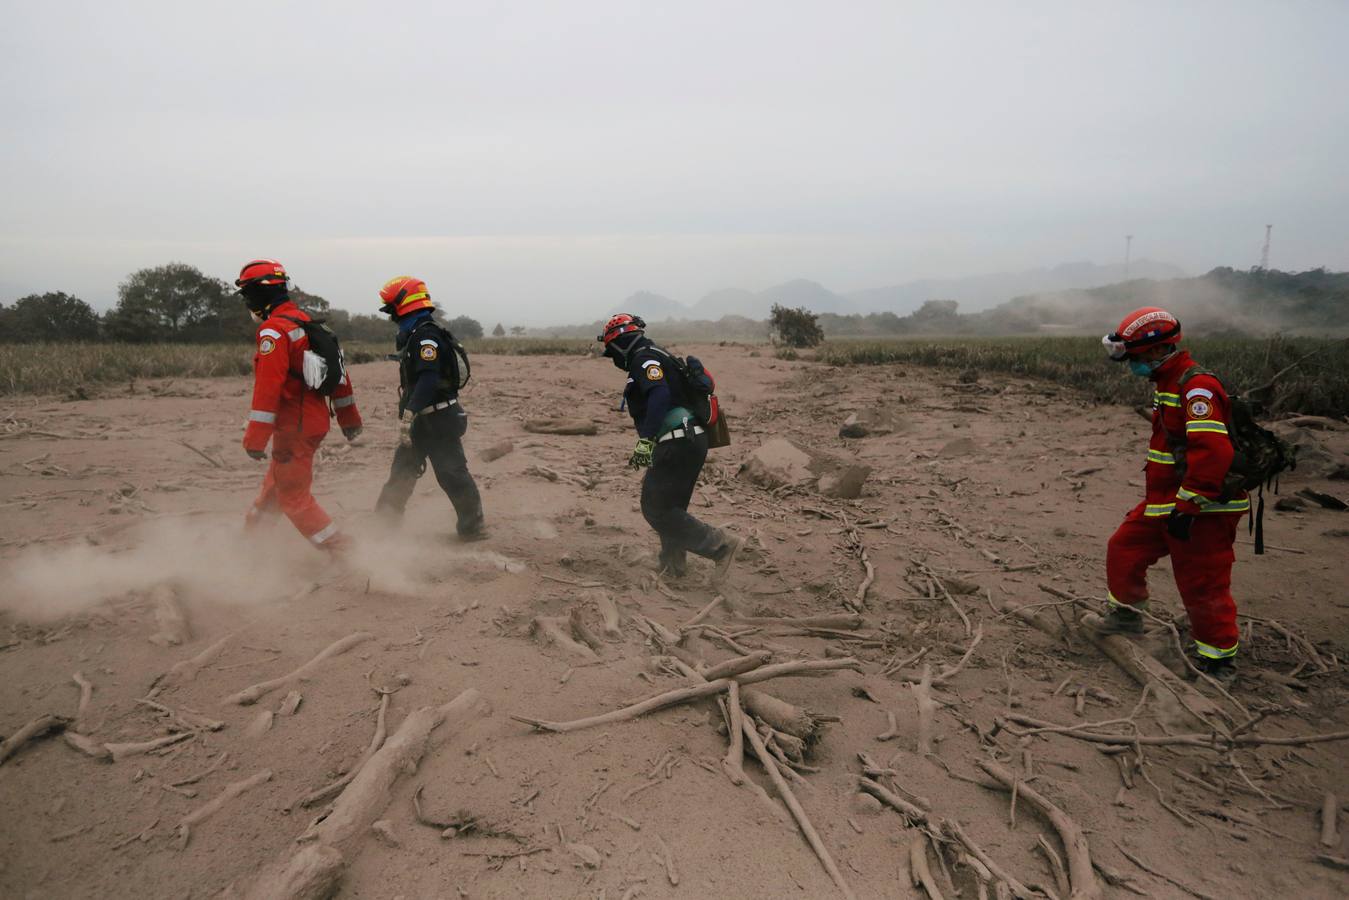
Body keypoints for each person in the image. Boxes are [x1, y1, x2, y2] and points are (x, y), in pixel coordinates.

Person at [1098, 307, 1248, 684]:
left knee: (1203, 582)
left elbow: (1214, 452)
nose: (1130, 364)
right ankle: (1126, 619)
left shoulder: (1196, 388)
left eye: (1132, 356)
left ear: (1154, 350)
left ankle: (1218, 661)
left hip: (1203, 508)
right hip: (1165, 502)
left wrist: (1190, 504)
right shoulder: (1167, 382)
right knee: (1124, 547)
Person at [598, 313, 740, 580]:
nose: (613, 359)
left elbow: (659, 393)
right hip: (691, 439)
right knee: (671, 506)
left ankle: (721, 545)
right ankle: (673, 566)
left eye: (611, 351)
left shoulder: (643, 358)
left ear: (619, 343)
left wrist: (646, 440)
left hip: (678, 439)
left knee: (655, 507)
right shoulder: (657, 353)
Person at [236, 258, 363, 552]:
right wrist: (349, 421)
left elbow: (268, 390)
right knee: (273, 490)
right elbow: (342, 379)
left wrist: (255, 438)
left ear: (258, 294)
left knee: (293, 498)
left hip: (294, 428)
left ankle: (346, 551)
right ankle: (247, 547)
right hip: (313, 423)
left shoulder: (274, 331)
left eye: (246, 294)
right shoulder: (311, 326)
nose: (245, 301)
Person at [373, 276, 484, 539]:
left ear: (403, 305)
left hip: (440, 419)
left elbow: (428, 378)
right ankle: (382, 528)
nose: (390, 316)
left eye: (391, 310)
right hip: (422, 421)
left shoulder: (426, 336)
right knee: (400, 474)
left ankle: (472, 528)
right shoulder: (415, 333)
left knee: (452, 474)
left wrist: (409, 411)